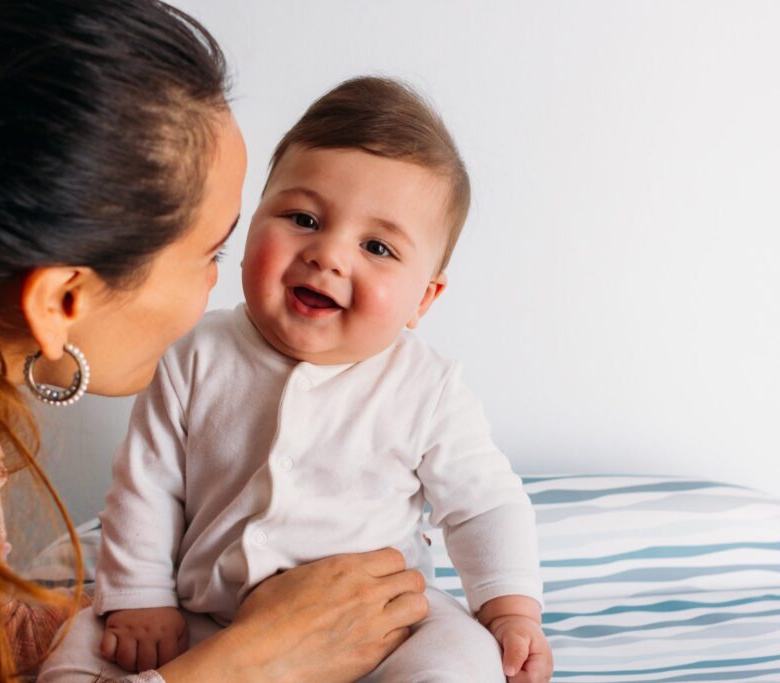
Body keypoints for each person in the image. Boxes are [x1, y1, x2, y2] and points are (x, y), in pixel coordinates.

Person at [0, 2, 430, 681]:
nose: (217, 287)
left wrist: (159, 612)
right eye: (210, 254)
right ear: (61, 300)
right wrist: (249, 662)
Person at [40, 78, 555, 683]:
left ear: (425, 297)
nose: (329, 254)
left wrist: (510, 609)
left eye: (378, 247)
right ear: (249, 221)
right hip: (210, 617)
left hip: (382, 624)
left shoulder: (427, 386)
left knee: (460, 659)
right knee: (83, 643)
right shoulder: (194, 352)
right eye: (304, 218)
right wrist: (141, 596)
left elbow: (483, 505)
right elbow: (145, 486)